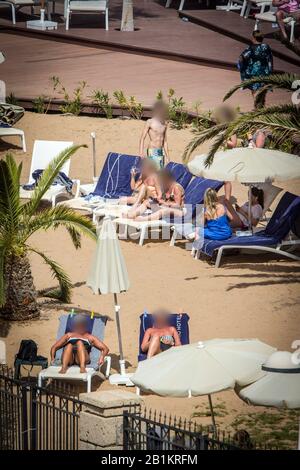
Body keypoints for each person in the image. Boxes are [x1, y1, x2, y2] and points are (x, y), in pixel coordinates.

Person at [238, 31, 273, 102]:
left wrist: (242, 66)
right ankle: (261, 105)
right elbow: (270, 59)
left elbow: (241, 58)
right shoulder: (266, 47)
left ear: (254, 38)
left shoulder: (251, 48)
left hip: (254, 73)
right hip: (265, 72)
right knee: (263, 90)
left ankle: (257, 107)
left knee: (255, 90)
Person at [139, 100, 170, 169]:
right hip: (152, 150)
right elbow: (142, 138)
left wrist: (168, 157)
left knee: (159, 171)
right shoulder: (150, 122)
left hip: (160, 151)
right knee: (154, 172)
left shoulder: (165, 124)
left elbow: (165, 141)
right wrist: (141, 153)